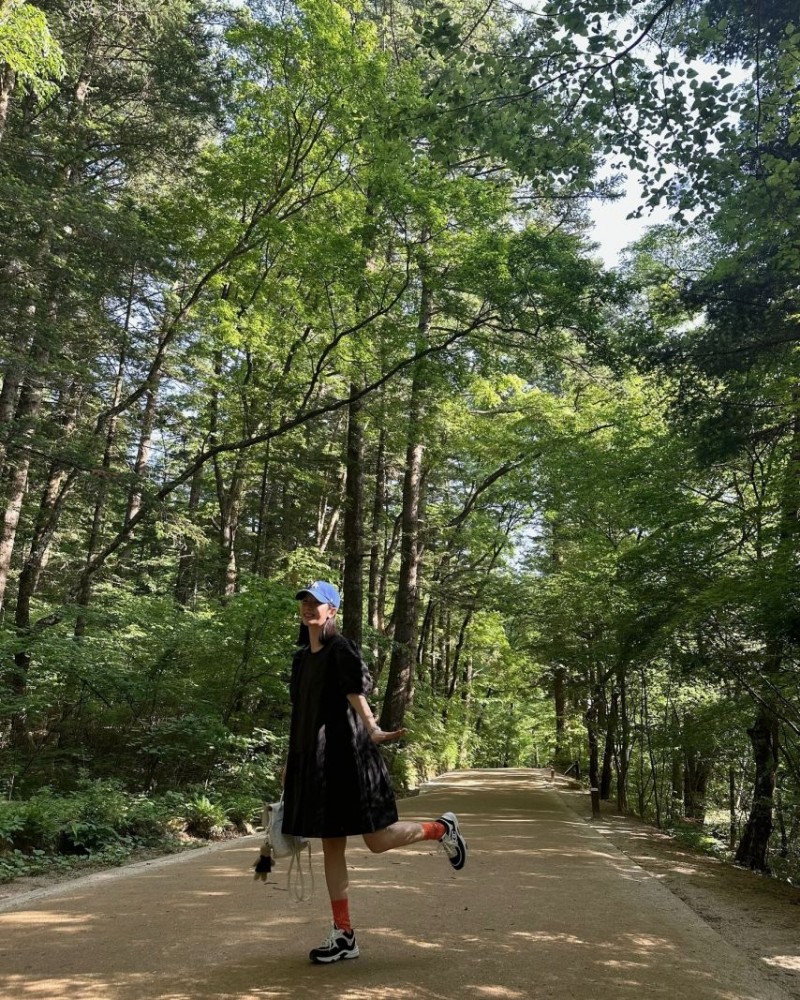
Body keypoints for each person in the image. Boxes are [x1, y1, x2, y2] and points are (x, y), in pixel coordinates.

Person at [281, 579, 467, 964]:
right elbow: (301, 714)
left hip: (350, 759)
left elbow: (355, 693)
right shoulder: (301, 660)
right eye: (305, 601)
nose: (308, 607)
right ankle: (344, 934)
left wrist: (373, 728)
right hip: (315, 763)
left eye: (317, 602)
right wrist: (290, 764)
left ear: (332, 611)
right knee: (331, 845)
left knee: (377, 841)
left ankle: (442, 829)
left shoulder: (341, 649)